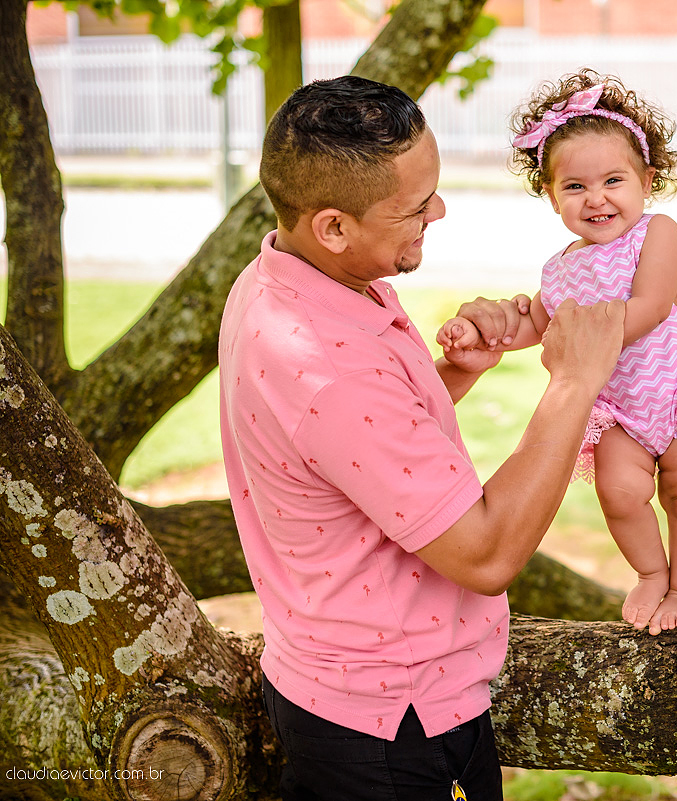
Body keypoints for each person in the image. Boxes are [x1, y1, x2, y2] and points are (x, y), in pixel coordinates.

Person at [218, 75, 624, 801]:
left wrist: (450, 375)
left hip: (350, 687)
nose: (439, 209)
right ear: (334, 225)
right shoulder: (325, 364)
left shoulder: (289, 277)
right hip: (392, 725)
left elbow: (355, 449)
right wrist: (572, 385)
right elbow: (486, 552)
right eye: (415, 206)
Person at [438, 69, 677, 636]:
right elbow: (540, 319)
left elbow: (651, 306)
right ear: (551, 194)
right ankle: (652, 573)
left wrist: (574, 342)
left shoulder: (659, 232)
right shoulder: (561, 267)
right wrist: (491, 331)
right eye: (575, 187)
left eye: (613, 180)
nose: (596, 198)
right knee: (621, 492)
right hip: (620, 403)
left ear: (646, 180)